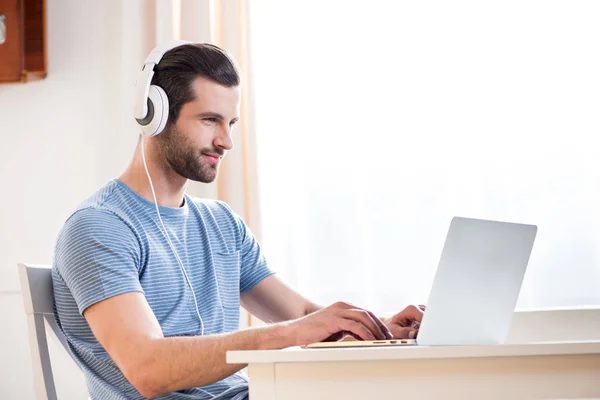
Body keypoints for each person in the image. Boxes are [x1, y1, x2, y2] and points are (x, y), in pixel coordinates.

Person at [52, 41, 424, 400]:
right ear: (154, 116)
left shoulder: (220, 223)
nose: (226, 141)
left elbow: (303, 315)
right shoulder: (99, 228)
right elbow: (148, 370)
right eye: (210, 120)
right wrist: (292, 333)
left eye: (231, 122)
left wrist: (377, 328)